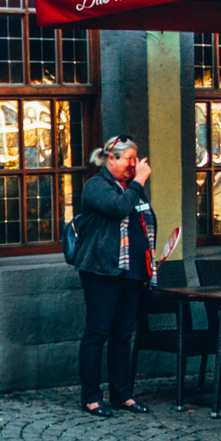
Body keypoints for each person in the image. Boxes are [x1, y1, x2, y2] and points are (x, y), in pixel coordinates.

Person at [72, 135, 157, 417]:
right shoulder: (96, 187)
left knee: (123, 335)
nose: (134, 164)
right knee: (97, 334)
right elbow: (119, 207)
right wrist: (139, 182)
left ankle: (122, 394)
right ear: (111, 159)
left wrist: (150, 260)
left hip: (131, 270)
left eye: (136, 158)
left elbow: (144, 220)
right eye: (129, 158)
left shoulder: (132, 188)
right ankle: (92, 397)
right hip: (101, 269)